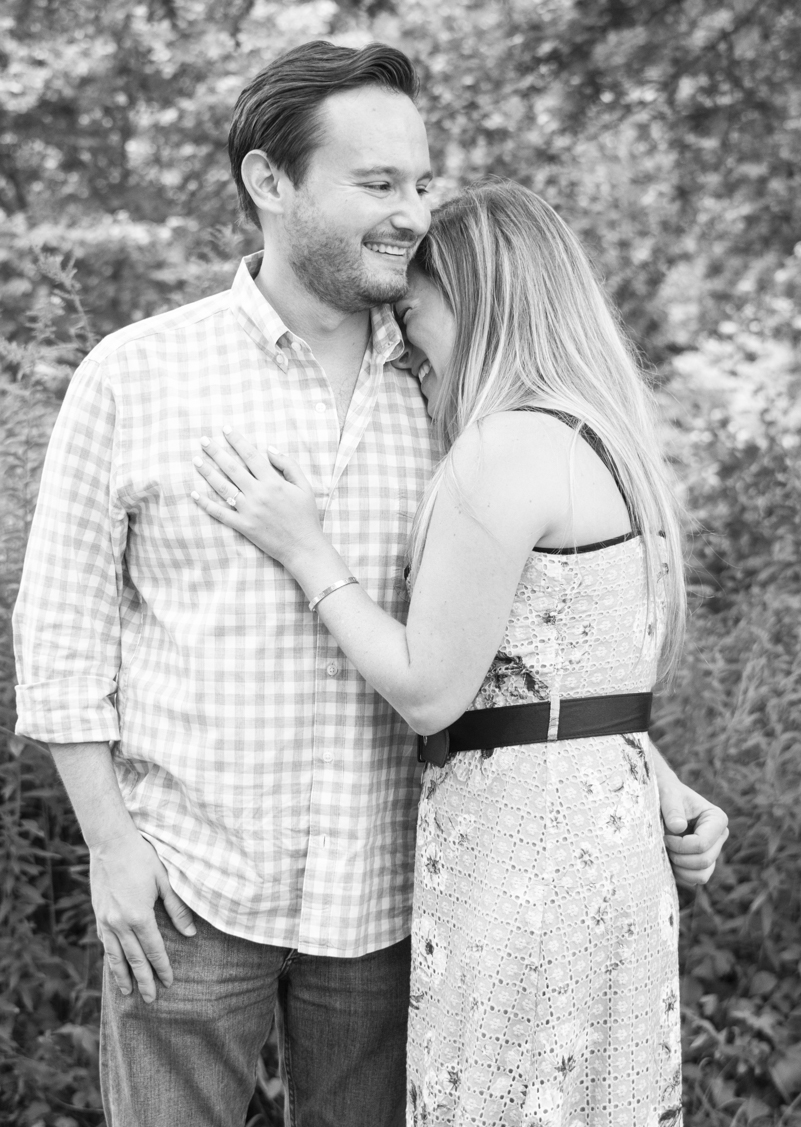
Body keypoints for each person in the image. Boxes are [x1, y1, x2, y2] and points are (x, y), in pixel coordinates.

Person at [13, 41, 725, 1127]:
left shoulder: (455, 387)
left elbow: (512, 627)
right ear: (270, 182)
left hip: (396, 900)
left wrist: (642, 762)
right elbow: (62, 634)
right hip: (192, 889)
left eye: (422, 181)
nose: (412, 210)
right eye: (379, 183)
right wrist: (111, 846)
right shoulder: (139, 372)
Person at [190, 178, 703, 1125]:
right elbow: (567, 667)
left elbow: (431, 690)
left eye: (415, 314)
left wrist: (306, 548)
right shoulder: (605, 439)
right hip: (604, 832)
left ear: (479, 301)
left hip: (526, 853)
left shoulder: (502, 448)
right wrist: (660, 779)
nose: (406, 347)